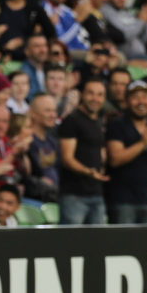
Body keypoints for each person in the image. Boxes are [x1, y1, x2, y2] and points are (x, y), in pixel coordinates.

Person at [104, 79, 147, 223]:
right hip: (121, 200)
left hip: (145, 198)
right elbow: (115, 159)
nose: (141, 102)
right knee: (124, 244)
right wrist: (143, 143)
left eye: (145, 97)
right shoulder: (117, 125)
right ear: (127, 101)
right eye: (135, 97)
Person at [59, 77, 110, 224]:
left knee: (97, 245)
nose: (95, 98)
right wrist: (89, 172)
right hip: (74, 195)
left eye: (100, 95)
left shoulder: (98, 121)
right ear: (82, 95)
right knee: (72, 244)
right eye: (91, 93)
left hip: (96, 193)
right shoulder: (72, 120)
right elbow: (67, 159)